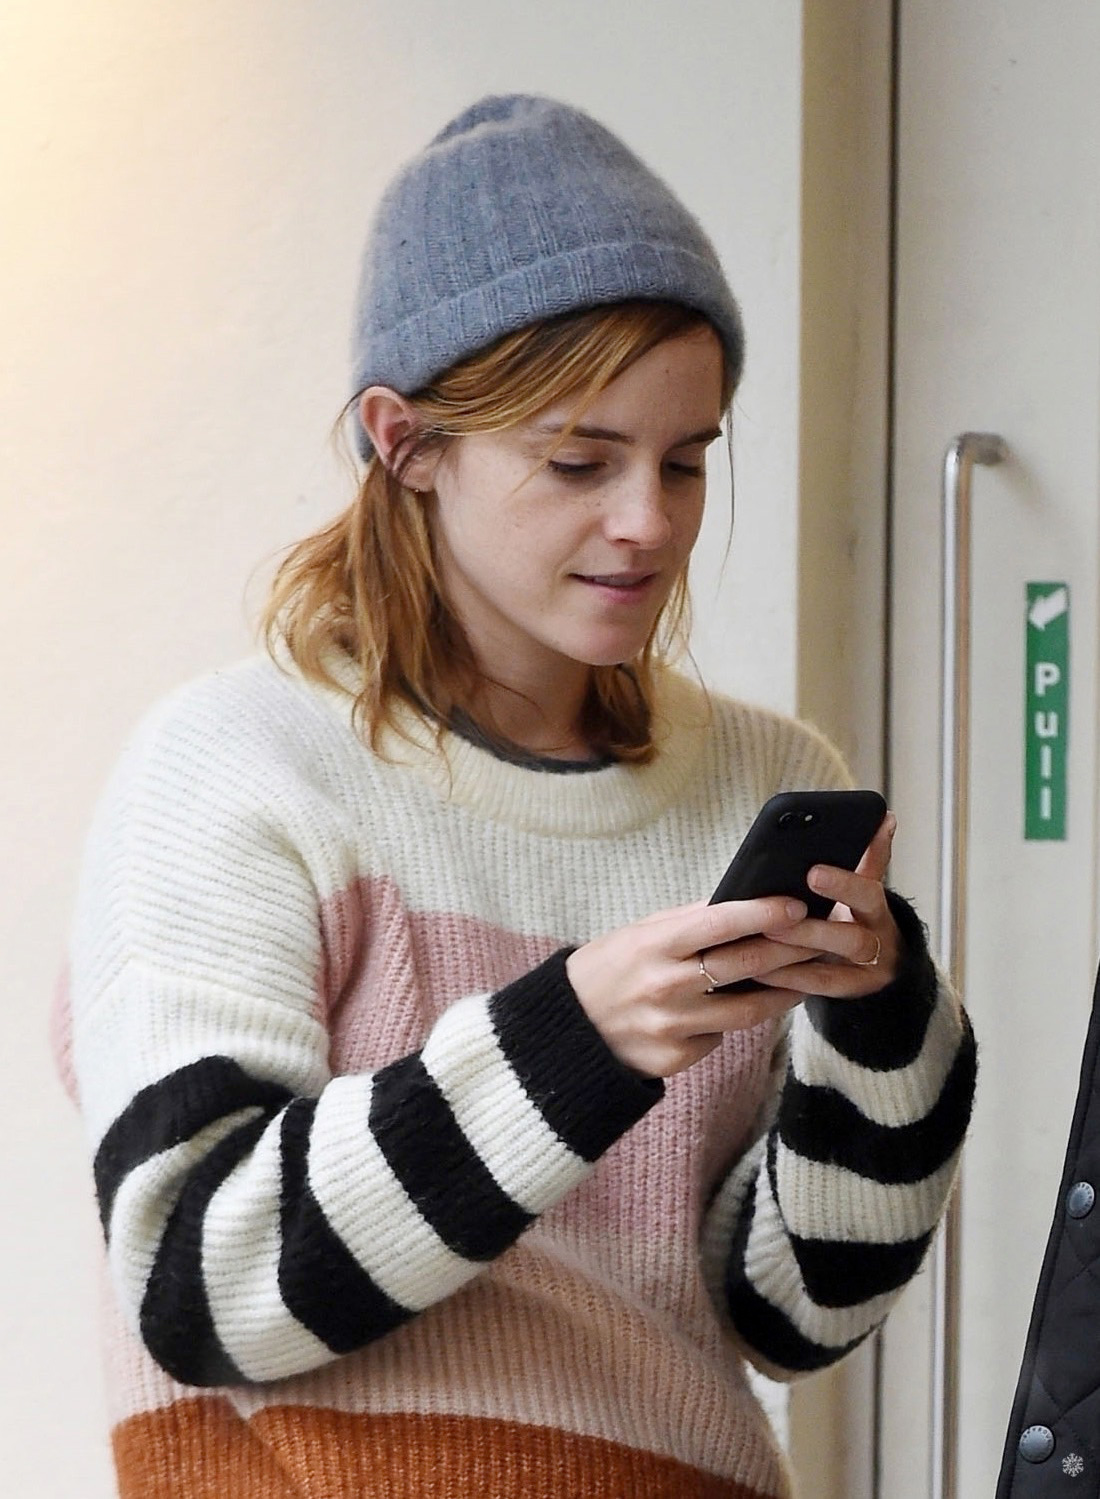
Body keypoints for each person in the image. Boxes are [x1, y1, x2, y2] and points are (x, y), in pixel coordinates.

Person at [58, 94, 976, 1499]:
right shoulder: (234, 766)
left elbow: (792, 1319)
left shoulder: (768, 782)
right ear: (405, 443)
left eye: (687, 460)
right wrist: (577, 1039)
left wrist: (882, 1021)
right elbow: (204, 1284)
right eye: (578, 460)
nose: (649, 522)